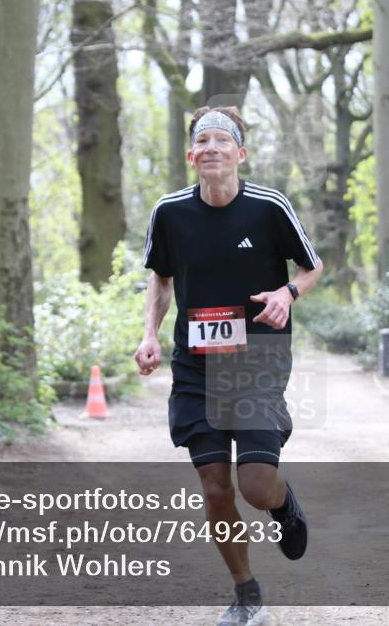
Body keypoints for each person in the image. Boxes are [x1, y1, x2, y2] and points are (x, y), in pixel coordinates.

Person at [135, 106, 323, 626]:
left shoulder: (269, 208)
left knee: (255, 487)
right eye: (204, 141)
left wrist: (288, 293)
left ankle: (284, 506)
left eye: (224, 140)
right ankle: (247, 595)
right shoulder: (169, 213)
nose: (212, 148)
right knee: (216, 487)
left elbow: (312, 267)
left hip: (257, 357)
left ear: (240, 153)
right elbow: (161, 279)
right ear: (192, 155)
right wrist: (149, 334)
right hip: (195, 365)